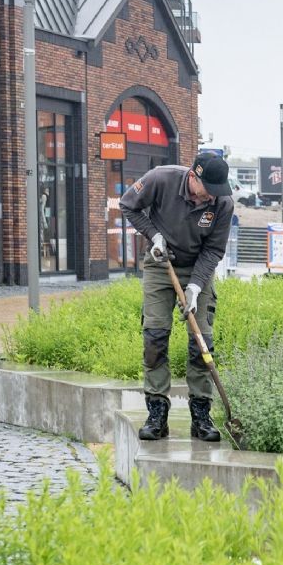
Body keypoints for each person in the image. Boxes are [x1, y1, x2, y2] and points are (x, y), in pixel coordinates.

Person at [119, 154, 234, 443]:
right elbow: (127, 205)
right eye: (206, 187)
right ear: (192, 177)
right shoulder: (161, 178)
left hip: (198, 268)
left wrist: (195, 287)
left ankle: (201, 416)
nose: (211, 195)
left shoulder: (222, 203)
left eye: (216, 190)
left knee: (201, 343)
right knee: (155, 337)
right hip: (161, 263)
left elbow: (214, 250)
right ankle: (157, 414)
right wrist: (154, 235)